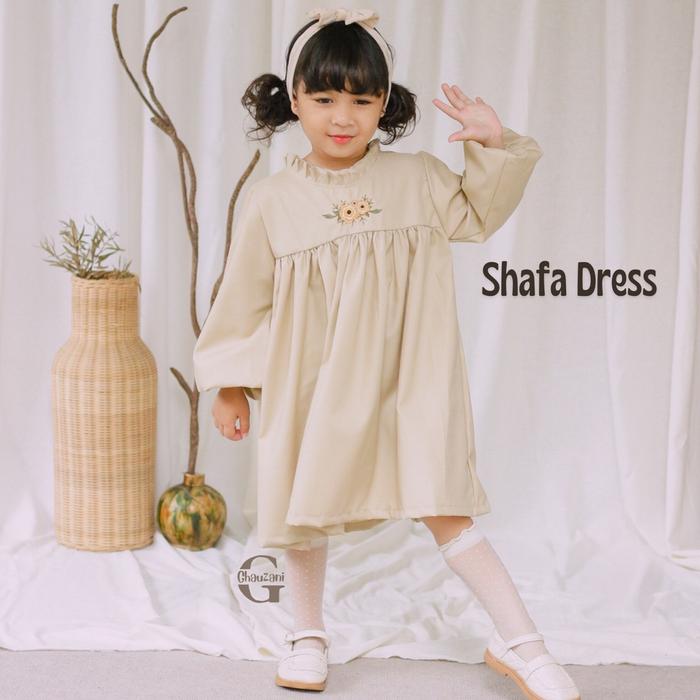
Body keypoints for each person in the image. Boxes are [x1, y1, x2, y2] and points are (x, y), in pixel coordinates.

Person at [193, 7, 581, 700]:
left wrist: (493, 144)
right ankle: (307, 634)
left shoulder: (419, 179)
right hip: (313, 382)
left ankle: (521, 642)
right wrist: (227, 383)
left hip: (411, 379)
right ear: (294, 99)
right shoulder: (273, 201)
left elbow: (480, 213)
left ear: (384, 104)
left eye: (361, 100)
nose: (342, 117)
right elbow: (243, 297)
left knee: (446, 502)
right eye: (323, 98)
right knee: (305, 502)